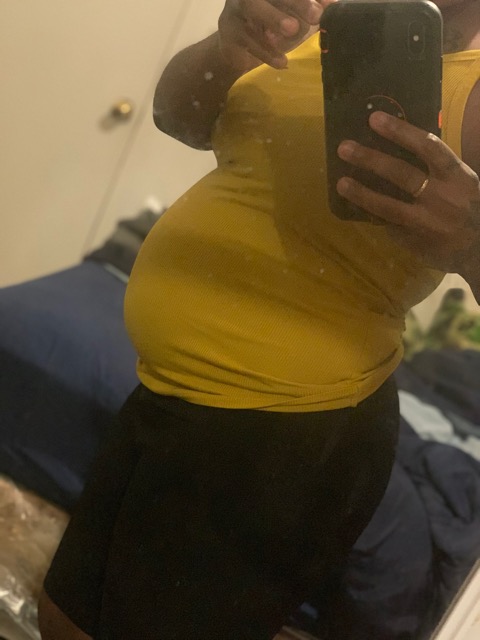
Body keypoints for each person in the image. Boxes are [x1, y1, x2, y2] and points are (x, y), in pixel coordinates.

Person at [38, 0, 480, 638]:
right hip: (173, 391)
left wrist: (472, 243)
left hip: (287, 432)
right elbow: (177, 117)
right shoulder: (318, 24)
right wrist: (226, 47)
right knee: (64, 618)